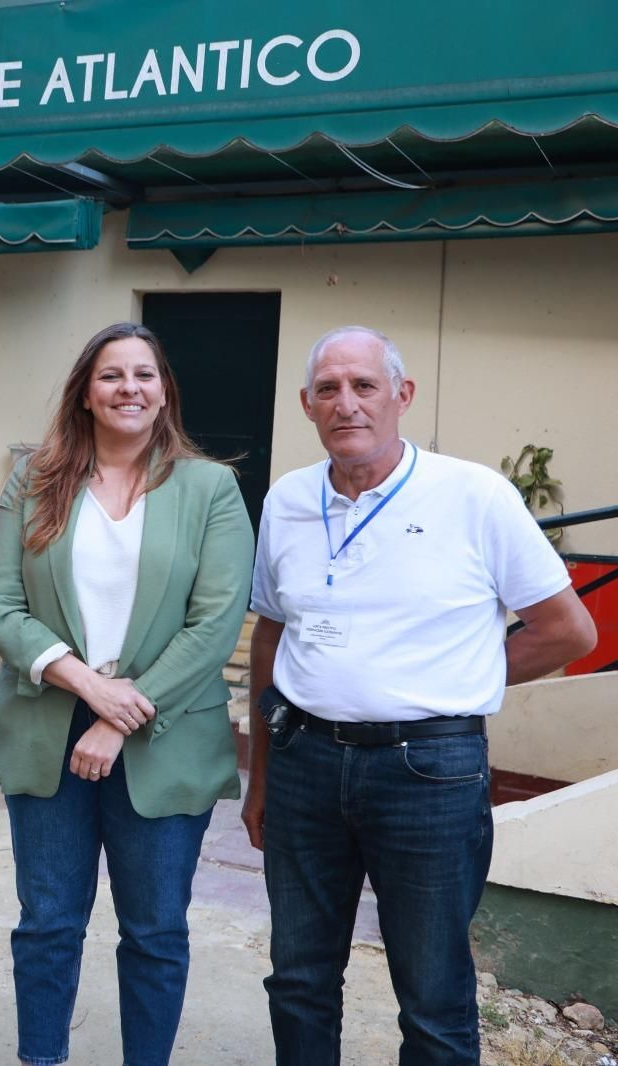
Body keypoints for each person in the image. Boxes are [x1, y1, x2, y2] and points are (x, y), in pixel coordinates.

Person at [243, 325, 596, 1066]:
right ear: (307, 405)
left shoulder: (474, 496)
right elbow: (272, 637)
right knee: (298, 979)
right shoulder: (286, 502)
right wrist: (263, 776)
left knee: (433, 997)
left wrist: (462, 675)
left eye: (365, 385)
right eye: (329, 390)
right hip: (305, 762)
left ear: (401, 395)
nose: (348, 404)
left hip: (428, 774)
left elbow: (569, 630)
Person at [0, 322, 254, 1066]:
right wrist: (89, 688)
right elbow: (1, 605)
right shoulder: (35, 479)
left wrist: (117, 716)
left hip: (162, 740)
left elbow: (215, 623)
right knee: (47, 925)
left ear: (165, 391)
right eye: (111, 376)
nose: (129, 388)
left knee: (157, 931)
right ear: (86, 393)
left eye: (144, 374)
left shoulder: (210, 488)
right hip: (46, 730)